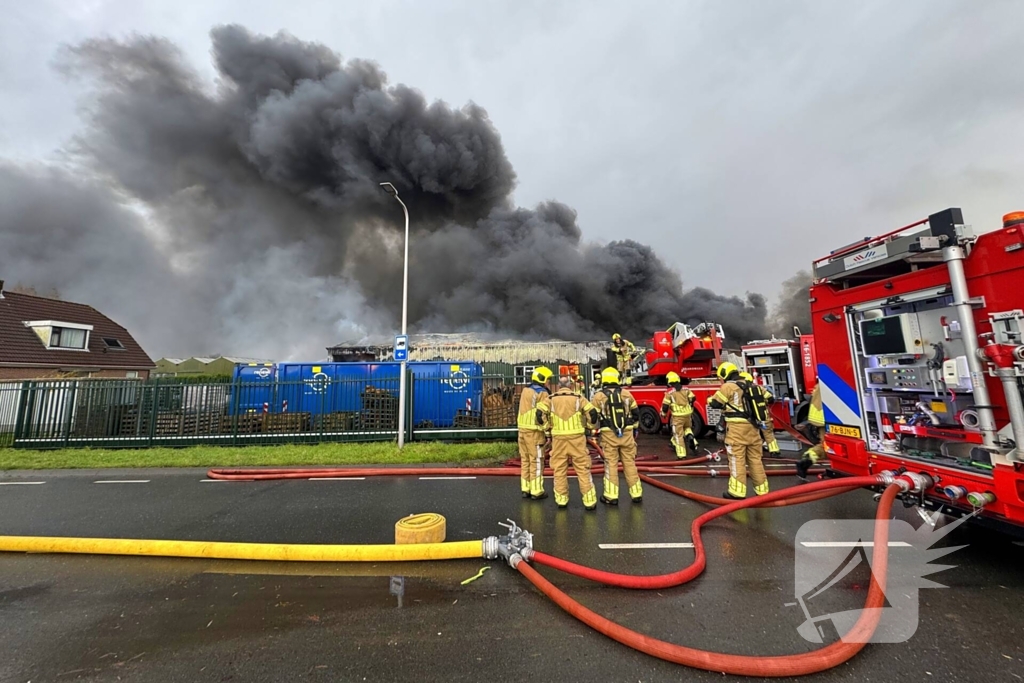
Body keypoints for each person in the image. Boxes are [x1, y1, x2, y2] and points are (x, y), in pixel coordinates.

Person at [537, 376, 601, 510]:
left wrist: (547, 428)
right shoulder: (578, 398)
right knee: (583, 470)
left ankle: (562, 500)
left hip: (559, 440)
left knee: (559, 470)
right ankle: (589, 502)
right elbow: (593, 412)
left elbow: (539, 414)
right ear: (570, 385)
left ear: (559, 386)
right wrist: (589, 426)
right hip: (577, 439)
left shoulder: (550, 399)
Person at [707, 362, 770, 500]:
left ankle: (737, 492)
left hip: (736, 430)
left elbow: (716, 404)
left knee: (736, 459)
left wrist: (710, 399)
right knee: (755, 460)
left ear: (724, 374)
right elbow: (769, 397)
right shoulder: (752, 385)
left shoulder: (728, 387)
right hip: (753, 429)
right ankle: (762, 490)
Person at [591, 367, 642, 505]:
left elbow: (593, 417)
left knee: (611, 464)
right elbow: (636, 413)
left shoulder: (599, 396)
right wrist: (635, 429)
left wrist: (591, 429)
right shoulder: (627, 394)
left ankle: (611, 496)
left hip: (608, 434)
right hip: (627, 433)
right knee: (630, 463)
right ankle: (636, 493)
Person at [517, 366, 554, 499]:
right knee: (537, 461)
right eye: (548, 379)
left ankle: (525, 488)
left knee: (525, 460)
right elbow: (542, 414)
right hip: (535, 432)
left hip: (522, 431)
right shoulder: (542, 393)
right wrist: (548, 431)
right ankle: (537, 491)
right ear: (542, 379)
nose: (548, 382)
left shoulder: (525, 390)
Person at [740, 372, 780, 455]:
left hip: (750, 418)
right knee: (768, 434)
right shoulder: (759, 388)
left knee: (754, 435)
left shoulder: (740, 391)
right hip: (763, 415)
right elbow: (770, 399)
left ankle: (756, 453)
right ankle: (774, 451)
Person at [662, 371, 698, 458]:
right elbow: (693, 398)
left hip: (677, 417)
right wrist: (690, 406)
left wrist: (664, 414)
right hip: (687, 415)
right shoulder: (686, 389)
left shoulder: (669, 393)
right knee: (687, 428)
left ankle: (681, 454)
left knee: (678, 435)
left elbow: (665, 406)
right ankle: (691, 438)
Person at [796, 382, 825, 480]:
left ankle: (806, 460)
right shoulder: (831, 382)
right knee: (827, 446)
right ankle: (804, 462)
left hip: (821, 418)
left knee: (827, 445)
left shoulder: (820, 384)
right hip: (826, 418)